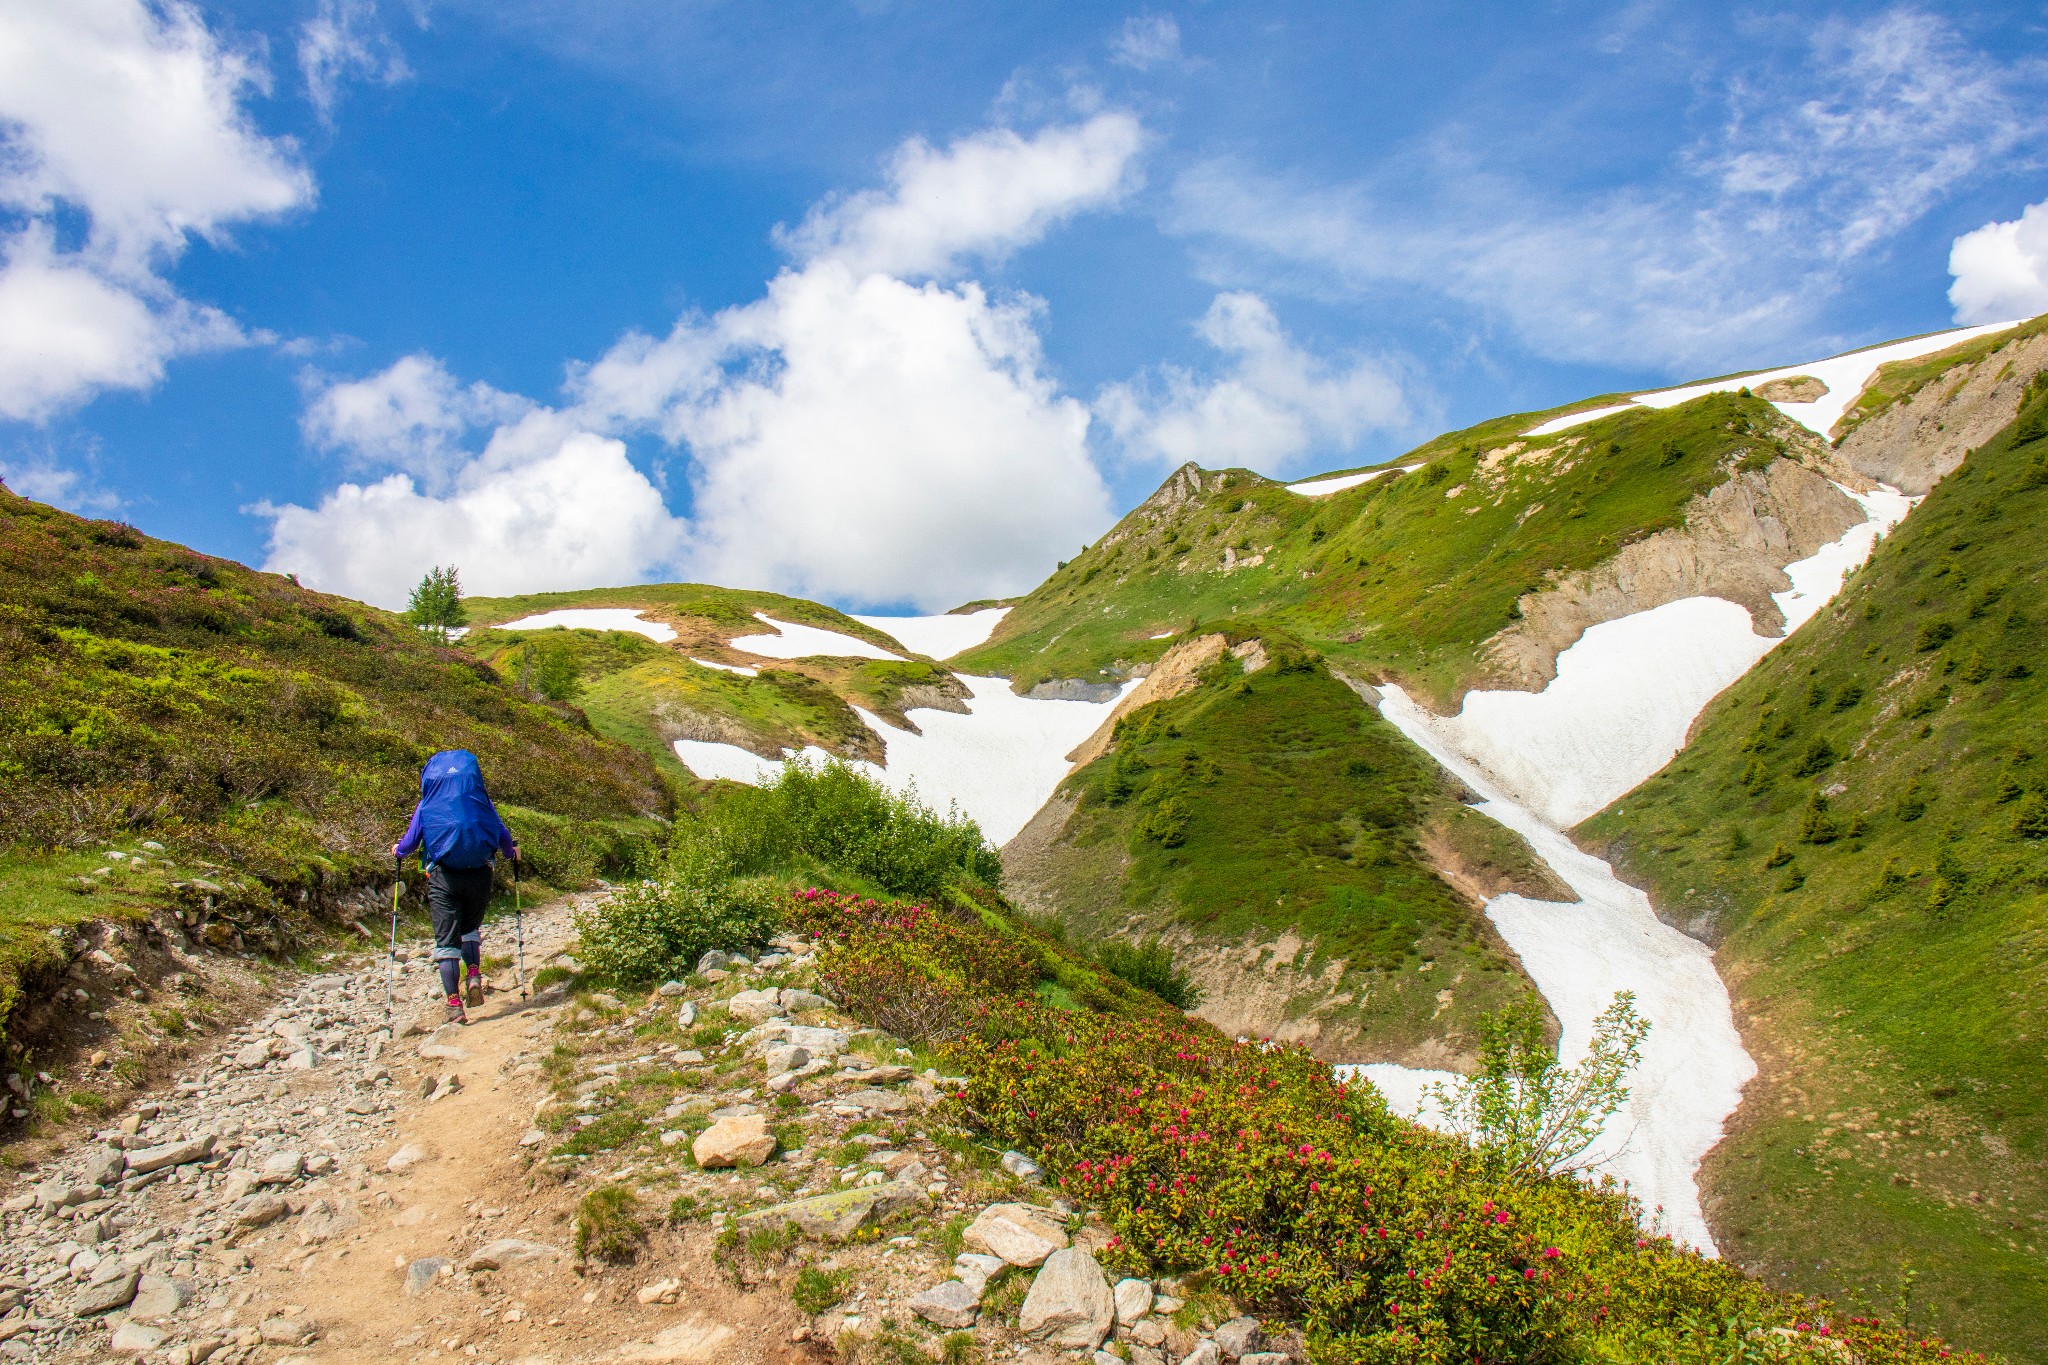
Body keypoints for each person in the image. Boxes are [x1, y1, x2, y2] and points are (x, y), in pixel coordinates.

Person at [393, 749, 519, 1025]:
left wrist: (398, 852)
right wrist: (512, 854)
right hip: (479, 875)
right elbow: (502, 836)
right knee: (470, 928)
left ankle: (453, 1005)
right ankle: (473, 973)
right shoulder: (480, 800)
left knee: (447, 941)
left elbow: (410, 843)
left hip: (443, 877)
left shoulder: (427, 804)